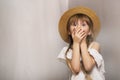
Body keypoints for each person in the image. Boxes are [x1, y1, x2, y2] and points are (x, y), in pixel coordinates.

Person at [57, 6, 105, 80]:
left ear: (89, 31)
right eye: (74, 24)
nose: (78, 27)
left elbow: (88, 67)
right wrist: (76, 43)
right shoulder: (66, 51)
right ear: (69, 31)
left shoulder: (95, 45)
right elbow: (76, 70)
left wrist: (82, 43)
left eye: (83, 24)